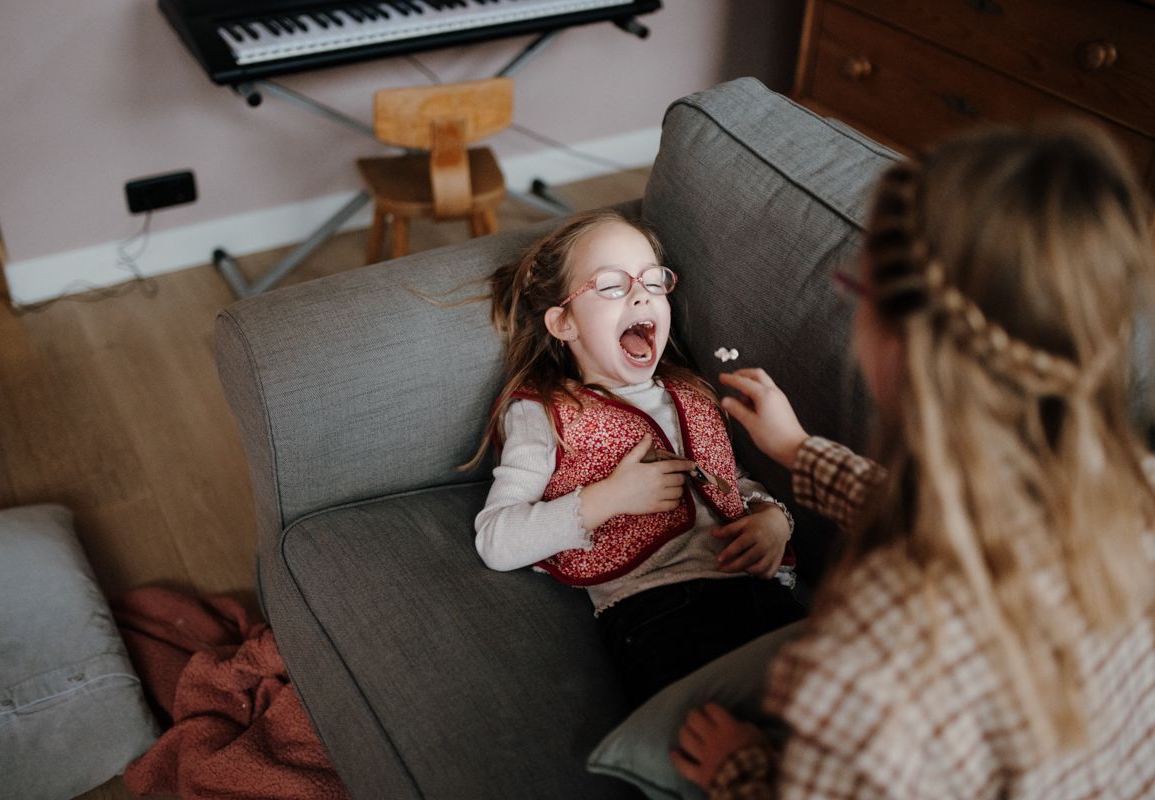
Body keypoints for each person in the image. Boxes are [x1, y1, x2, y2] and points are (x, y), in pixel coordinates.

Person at [671, 121, 1155, 798]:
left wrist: (744, 773)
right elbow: (969, 517)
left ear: (898, 342)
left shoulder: (875, 674)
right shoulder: (1135, 491)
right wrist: (800, 453)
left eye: (857, 291)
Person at [470, 209, 805, 707]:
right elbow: (495, 539)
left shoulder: (692, 393)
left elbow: (732, 479)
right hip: (660, 611)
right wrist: (606, 499)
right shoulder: (543, 413)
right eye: (610, 285)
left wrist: (774, 519)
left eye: (653, 280)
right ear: (563, 322)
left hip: (763, 594)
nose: (641, 293)